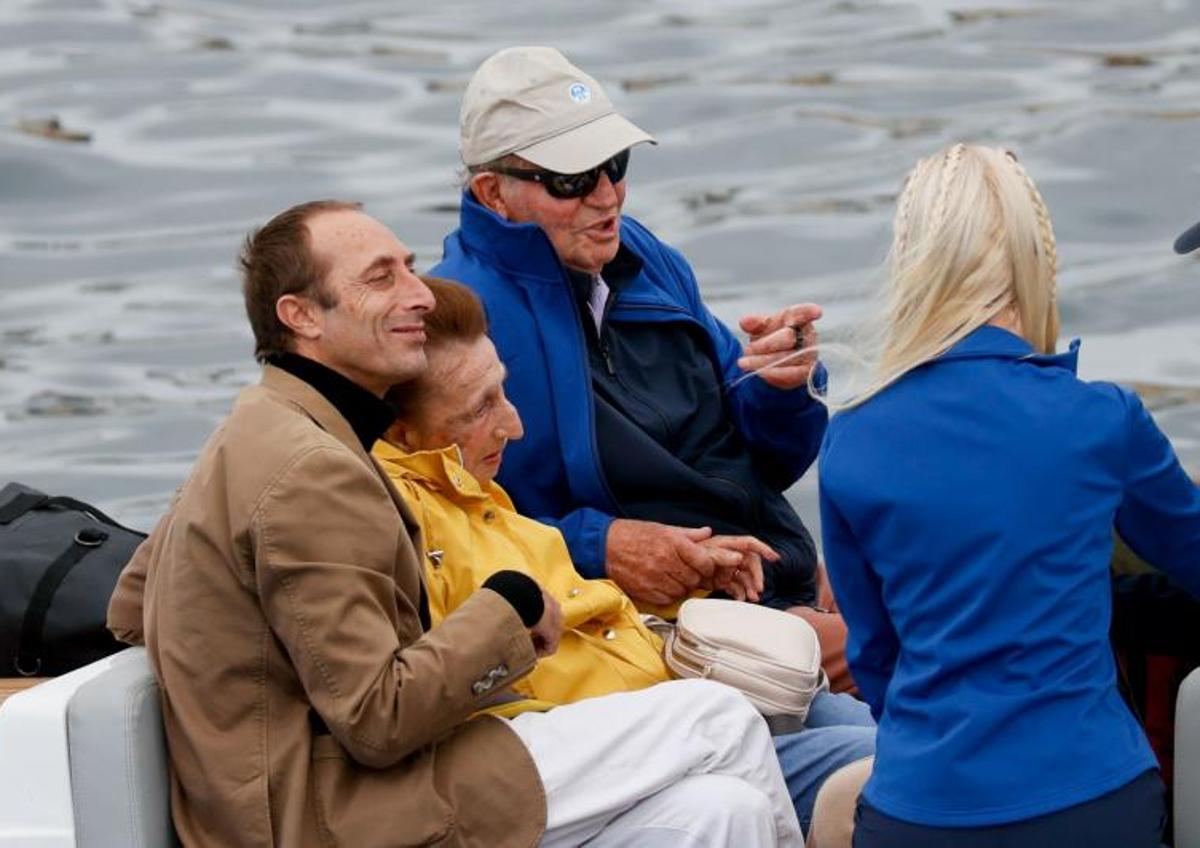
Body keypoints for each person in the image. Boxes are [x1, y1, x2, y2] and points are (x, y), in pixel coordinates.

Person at [105, 199, 806, 847]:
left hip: (305, 793)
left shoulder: (260, 426)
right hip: (328, 815)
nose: (416, 293)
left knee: (721, 811)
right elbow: (378, 720)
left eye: (409, 267)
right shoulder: (311, 469)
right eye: (380, 278)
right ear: (302, 317)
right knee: (718, 718)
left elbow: (133, 602)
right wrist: (509, 609)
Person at [373, 275, 876, 833]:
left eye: (505, 392)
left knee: (883, 732)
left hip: (686, 670)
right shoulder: (406, 521)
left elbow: (764, 450)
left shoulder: (475, 489)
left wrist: (776, 393)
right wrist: (612, 548)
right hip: (648, 741)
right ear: (399, 433)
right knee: (879, 766)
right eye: (480, 409)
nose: (513, 426)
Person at [431, 45, 855, 691]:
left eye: (614, 164)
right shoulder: (451, 320)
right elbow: (444, 536)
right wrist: (602, 547)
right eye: (571, 180)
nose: (606, 196)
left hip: (768, 581)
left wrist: (780, 390)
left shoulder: (647, 259)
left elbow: (768, 462)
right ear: (494, 192)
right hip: (650, 628)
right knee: (918, 663)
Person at [818, 143, 1200, 847]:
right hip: (1094, 800)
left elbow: (877, 659)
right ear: (1037, 263)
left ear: (913, 265)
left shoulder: (851, 442)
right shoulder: (1102, 419)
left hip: (923, 810)